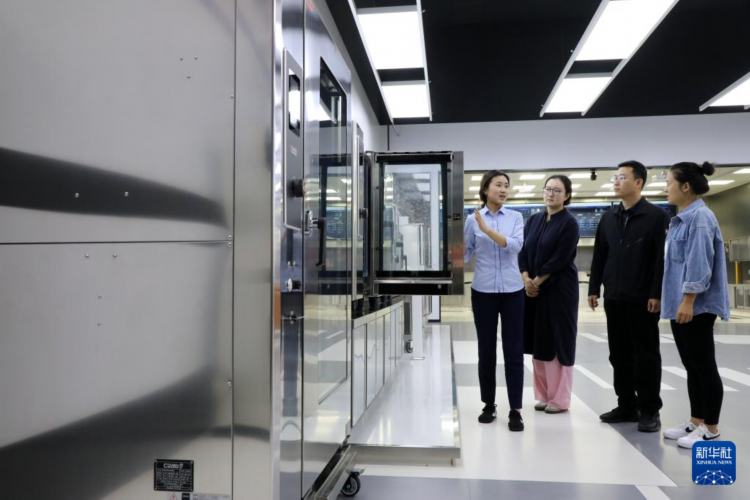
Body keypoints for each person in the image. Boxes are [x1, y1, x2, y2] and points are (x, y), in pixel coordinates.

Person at [588, 160, 670, 432]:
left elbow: (660, 259)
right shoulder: (609, 218)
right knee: (619, 355)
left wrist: (656, 293)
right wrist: (594, 288)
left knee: (646, 355)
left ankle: (649, 410)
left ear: (638, 182)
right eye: (615, 177)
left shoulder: (656, 216)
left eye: (621, 177)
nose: (616, 181)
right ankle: (626, 405)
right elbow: (600, 255)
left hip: (643, 299)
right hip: (614, 297)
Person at [660, 162, 730, 448]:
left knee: (704, 366)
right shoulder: (682, 218)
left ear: (685, 186)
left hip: (696, 306)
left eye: (669, 182)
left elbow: (699, 264)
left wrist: (689, 300)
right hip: (681, 304)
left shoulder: (700, 218)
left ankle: (710, 428)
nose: (666, 188)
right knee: (692, 366)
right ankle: (696, 420)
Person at [464, 169, 525, 431]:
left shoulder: (515, 217)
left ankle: (515, 409)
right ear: (485, 189)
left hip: (513, 291)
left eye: (506, 186)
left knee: (513, 351)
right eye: (498, 185)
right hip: (483, 291)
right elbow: (466, 251)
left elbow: (515, 246)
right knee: (486, 351)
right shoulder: (471, 220)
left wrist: (486, 230)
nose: (503, 190)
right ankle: (488, 404)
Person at [519, 175, 579, 414]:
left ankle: (560, 399)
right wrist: (526, 278)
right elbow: (523, 252)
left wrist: (537, 280)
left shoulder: (569, 223)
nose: (551, 194)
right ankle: (544, 395)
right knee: (538, 339)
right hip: (533, 291)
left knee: (557, 341)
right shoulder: (534, 220)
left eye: (557, 190)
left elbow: (561, 257)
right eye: (548, 189)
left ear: (567, 195)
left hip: (559, 291)